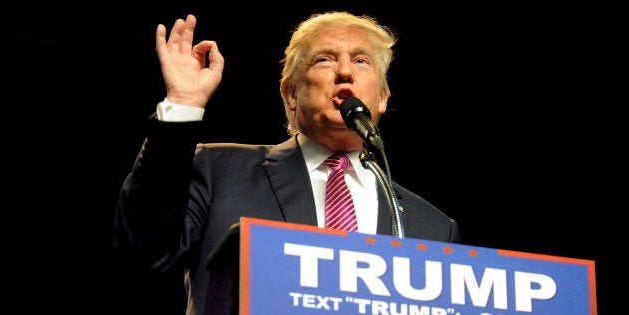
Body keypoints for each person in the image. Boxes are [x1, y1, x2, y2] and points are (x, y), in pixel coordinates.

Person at [113, 11, 461, 315]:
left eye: (361, 61)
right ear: (291, 94)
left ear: (382, 97)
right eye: (324, 60)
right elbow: (145, 255)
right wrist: (183, 104)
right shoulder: (221, 171)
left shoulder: (433, 227)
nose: (344, 72)